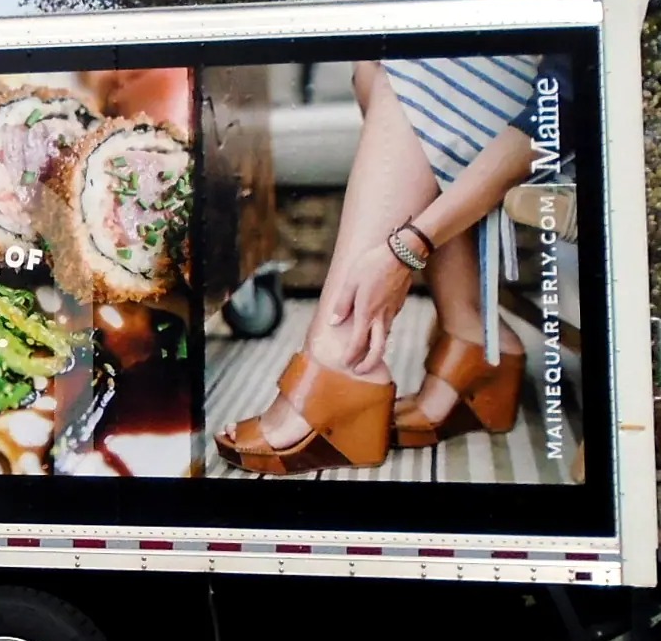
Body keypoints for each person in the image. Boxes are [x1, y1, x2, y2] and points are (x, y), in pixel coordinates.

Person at [217, 56, 546, 474]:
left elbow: (560, 110)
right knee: (372, 66)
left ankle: (341, 355)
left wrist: (405, 249)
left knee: (416, 72)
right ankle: (470, 329)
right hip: (533, 87)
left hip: (562, 122)